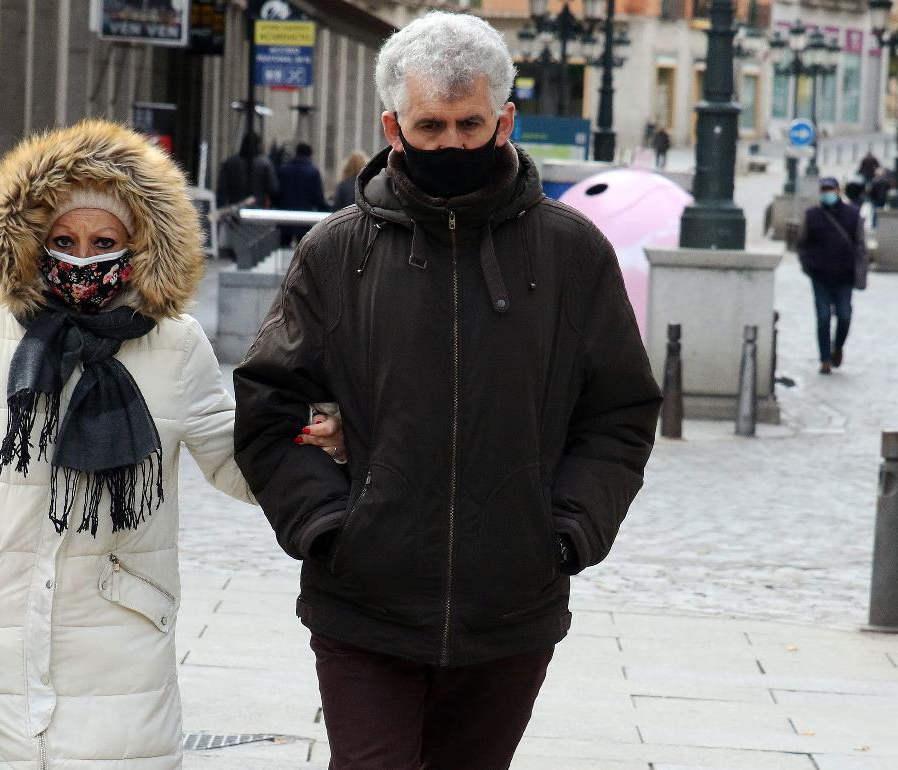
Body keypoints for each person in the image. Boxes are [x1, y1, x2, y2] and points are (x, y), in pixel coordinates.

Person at [233, 12, 662, 770]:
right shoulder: (336, 253)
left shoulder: (571, 252)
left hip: (513, 606)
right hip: (363, 602)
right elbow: (273, 406)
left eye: (471, 124)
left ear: (506, 119)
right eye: (431, 126)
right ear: (393, 126)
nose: (453, 144)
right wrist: (329, 525)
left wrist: (565, 532)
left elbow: (620, 413)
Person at [0, 119, 344, 769]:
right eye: (65, 240)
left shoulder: (174, 342)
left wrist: (318, 438)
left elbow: (236, 459)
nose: (83, 257)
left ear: (138, 245)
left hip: (124, 635)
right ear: (33, 240)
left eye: (104, 241)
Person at [797, 176, 867, 375]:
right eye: (824, 190)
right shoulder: (812, 215)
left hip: (844, 276)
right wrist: (808, 266)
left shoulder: (853, 215)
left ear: (838, 191)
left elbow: (860, 245)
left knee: (844, 316)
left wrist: (860, 274)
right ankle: (825, 358)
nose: (827, 193)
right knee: (823, 317)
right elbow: (803, 243)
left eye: (831, 189)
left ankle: (838, 347)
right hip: (820, 276)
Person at [275, 142, 330, 245]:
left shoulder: (284, 170)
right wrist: (324, 211)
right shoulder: (313, 171)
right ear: (310, 154)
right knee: (303, 249)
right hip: (305, 218)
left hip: (285, 217)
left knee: (283, 248)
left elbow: (277, 193)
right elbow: (318, 197)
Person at [216, 131, 279, 208]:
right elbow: (273, 189)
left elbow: (221, 190)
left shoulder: (229, 163)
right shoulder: (265, 164)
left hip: (234, 208)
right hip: (257, 208)